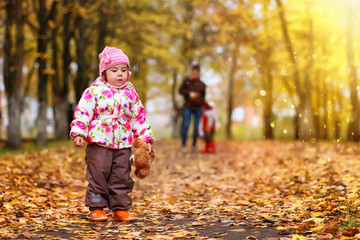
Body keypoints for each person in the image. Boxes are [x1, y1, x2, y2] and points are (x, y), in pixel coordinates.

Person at [70, 46, 155, 222]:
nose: (120, 74)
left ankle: (120, 208)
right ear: (104, 73)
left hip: (123, 142)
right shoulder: (93, 91)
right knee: (98, 172)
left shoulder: (131, 94)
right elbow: (83, 112)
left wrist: (145, 137)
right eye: (114, 70)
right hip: (99, 141)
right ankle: (96, 207)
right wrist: (79, 132)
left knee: (121, 174)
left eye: (124, 70)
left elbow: (139, 117)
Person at [179, 64, 206, 152]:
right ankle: (183, 145)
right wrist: (189, 93)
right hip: (188, 107)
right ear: (191, 73)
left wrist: (203, 106)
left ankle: (194, 145)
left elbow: (203, 96)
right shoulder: (186, 81)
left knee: (196, 126)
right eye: (193, 72)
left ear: (198, 73)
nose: (194, 74)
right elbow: (180, 90)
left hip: (198, 108)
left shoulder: (202, 84)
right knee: (186, 125)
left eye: (196, 73)